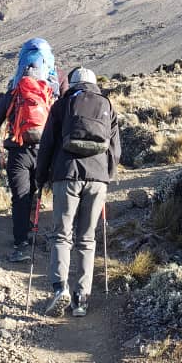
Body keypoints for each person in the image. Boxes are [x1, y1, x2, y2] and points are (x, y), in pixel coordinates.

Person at [35, 67, 121, 317]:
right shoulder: (107, 105)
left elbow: (47, 145)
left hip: (66, 175)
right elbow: (115, 150)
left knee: (62, 235)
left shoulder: (62, 105)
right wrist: (107, 175)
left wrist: (42, 178)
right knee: (87, 238)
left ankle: (59, 288)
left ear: (71, 84)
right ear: (94, 84)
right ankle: (81, 298)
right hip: (97, 179)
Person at [0, 38, 68, 263]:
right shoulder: (56, 80)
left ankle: (21, 243)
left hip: (19, 149)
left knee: (20, 196)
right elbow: (65, 110)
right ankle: (55, 239)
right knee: (52, 191)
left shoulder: (16, 85)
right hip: (47, 149)